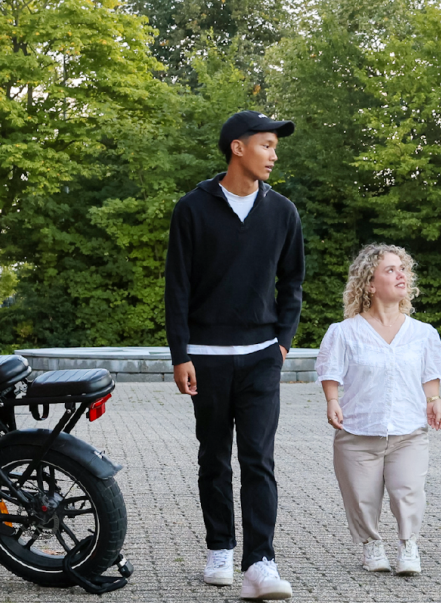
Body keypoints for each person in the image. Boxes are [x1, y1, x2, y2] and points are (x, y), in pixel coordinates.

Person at [164, 110, 304, 600]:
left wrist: (282, 342)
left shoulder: (283, 211)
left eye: (275, 146)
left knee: (259, 461)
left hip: (262, 357)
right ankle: (219, 549)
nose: (274, 153)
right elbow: (176, 287)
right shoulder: (192, 209)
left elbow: (293, 283)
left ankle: (260, 563)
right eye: (266, 144)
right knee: (214, 459)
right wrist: (180, 354)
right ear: (237, 148)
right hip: (205, 357)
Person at [315, 244, 441, 576]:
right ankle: (371, 545)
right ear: (370, 284)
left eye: (402, 268)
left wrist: (434, 400)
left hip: (408, 431)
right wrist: (332, 400)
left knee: (409, 491)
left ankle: (408, 546)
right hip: (358, 431)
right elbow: (330, 371)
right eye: (390, 270)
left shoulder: (423, 334)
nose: (400, 274)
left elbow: (430, 375)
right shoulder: (344, 332)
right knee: (362, 498)